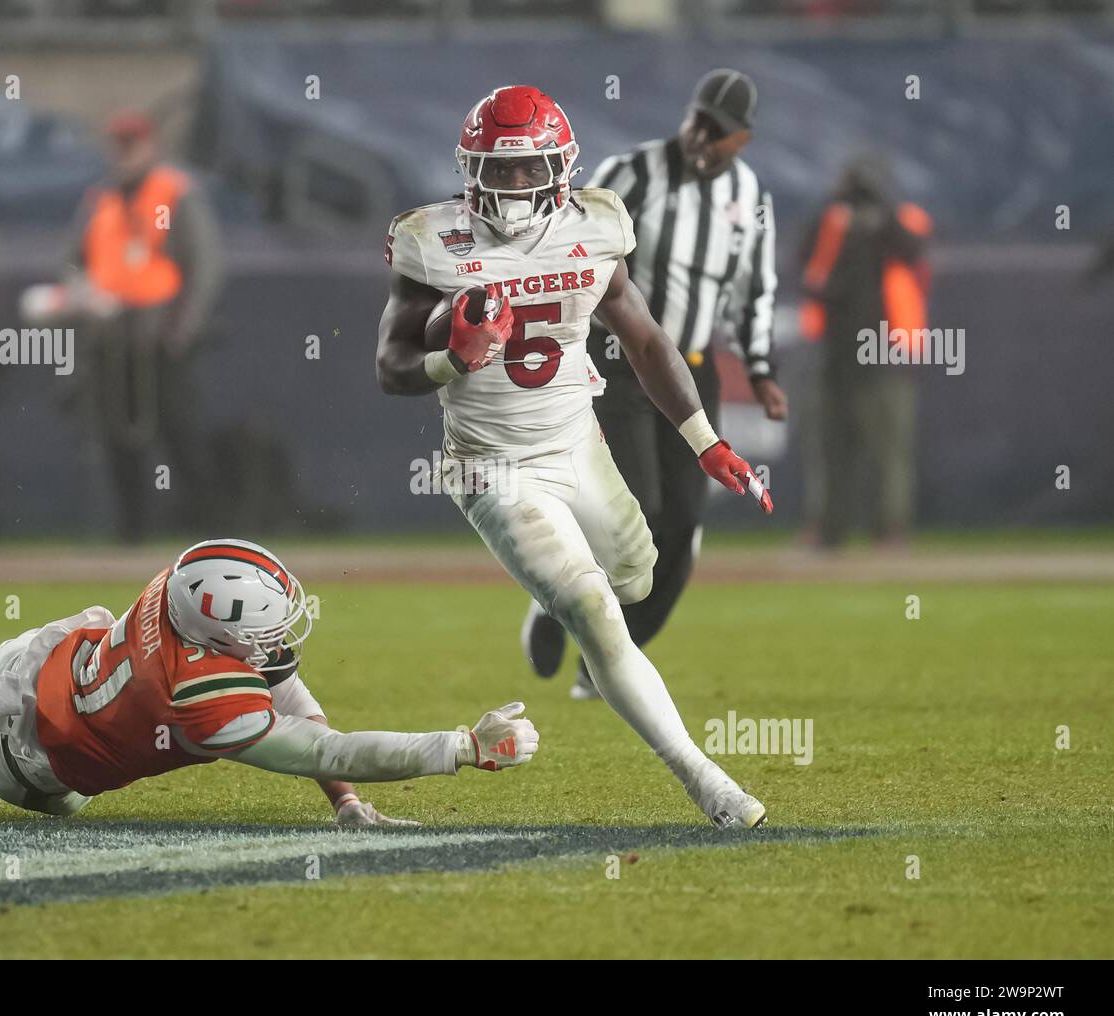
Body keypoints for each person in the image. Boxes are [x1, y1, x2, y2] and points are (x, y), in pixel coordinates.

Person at [376, 85, 771, 829]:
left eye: (531, 170)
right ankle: (707, 782)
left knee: (635, 575)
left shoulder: (596, 224)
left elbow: (647, 339)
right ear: (471, 168)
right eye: (501, 168)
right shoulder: (433, 239)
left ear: (561, 167)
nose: (516, 185)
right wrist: (448, 361)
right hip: (491, 463)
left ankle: (550, 589)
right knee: (594, 610)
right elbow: (390, 363)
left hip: (576, 440)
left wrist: (706, 441)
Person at [0, 538, 539, 822]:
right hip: (22, 760)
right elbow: (325, 748)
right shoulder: (197, 694)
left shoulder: (177, 588)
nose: (281, 635)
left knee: (92, 622)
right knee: (10, 727)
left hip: (69, 662)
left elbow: (291, 699)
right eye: (265, 625)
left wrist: (344, 804)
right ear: (216, 630)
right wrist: (461, 748)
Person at [526, 68, 787, 699]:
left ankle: (605, 659)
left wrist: (760, 369)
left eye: (717, 132)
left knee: (682, 529)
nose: (701, 137)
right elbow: (568, 244)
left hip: (689, 369)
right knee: (635, 504)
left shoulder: (750, 196)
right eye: (697, 120)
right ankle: (556, 597)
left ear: (743, 140)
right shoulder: (632, 174)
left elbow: (753, 291)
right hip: (619, 361)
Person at [66, 110, 223, 542]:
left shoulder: (174, 192)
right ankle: (131, 532)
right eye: (118, 144)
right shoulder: (101, 199)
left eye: (132, 143)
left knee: (178, 432)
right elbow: (74, 261)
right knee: (117, 435)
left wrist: (181, 329)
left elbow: (204, 264)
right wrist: (83, 295)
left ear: (150, 145)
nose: (124, 153)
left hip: (159, 337)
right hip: (112, 338)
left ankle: (211, 531)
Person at [798, 151, 930, 548]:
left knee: (889, 445)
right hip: (834, 348)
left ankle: (889, 530)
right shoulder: (831, 219)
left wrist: (881, 210)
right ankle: (827, 529)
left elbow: (911, 250)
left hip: (883, 348)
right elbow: (809, 270)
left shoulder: (902, 218)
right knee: (829, 442)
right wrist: (842, 217)